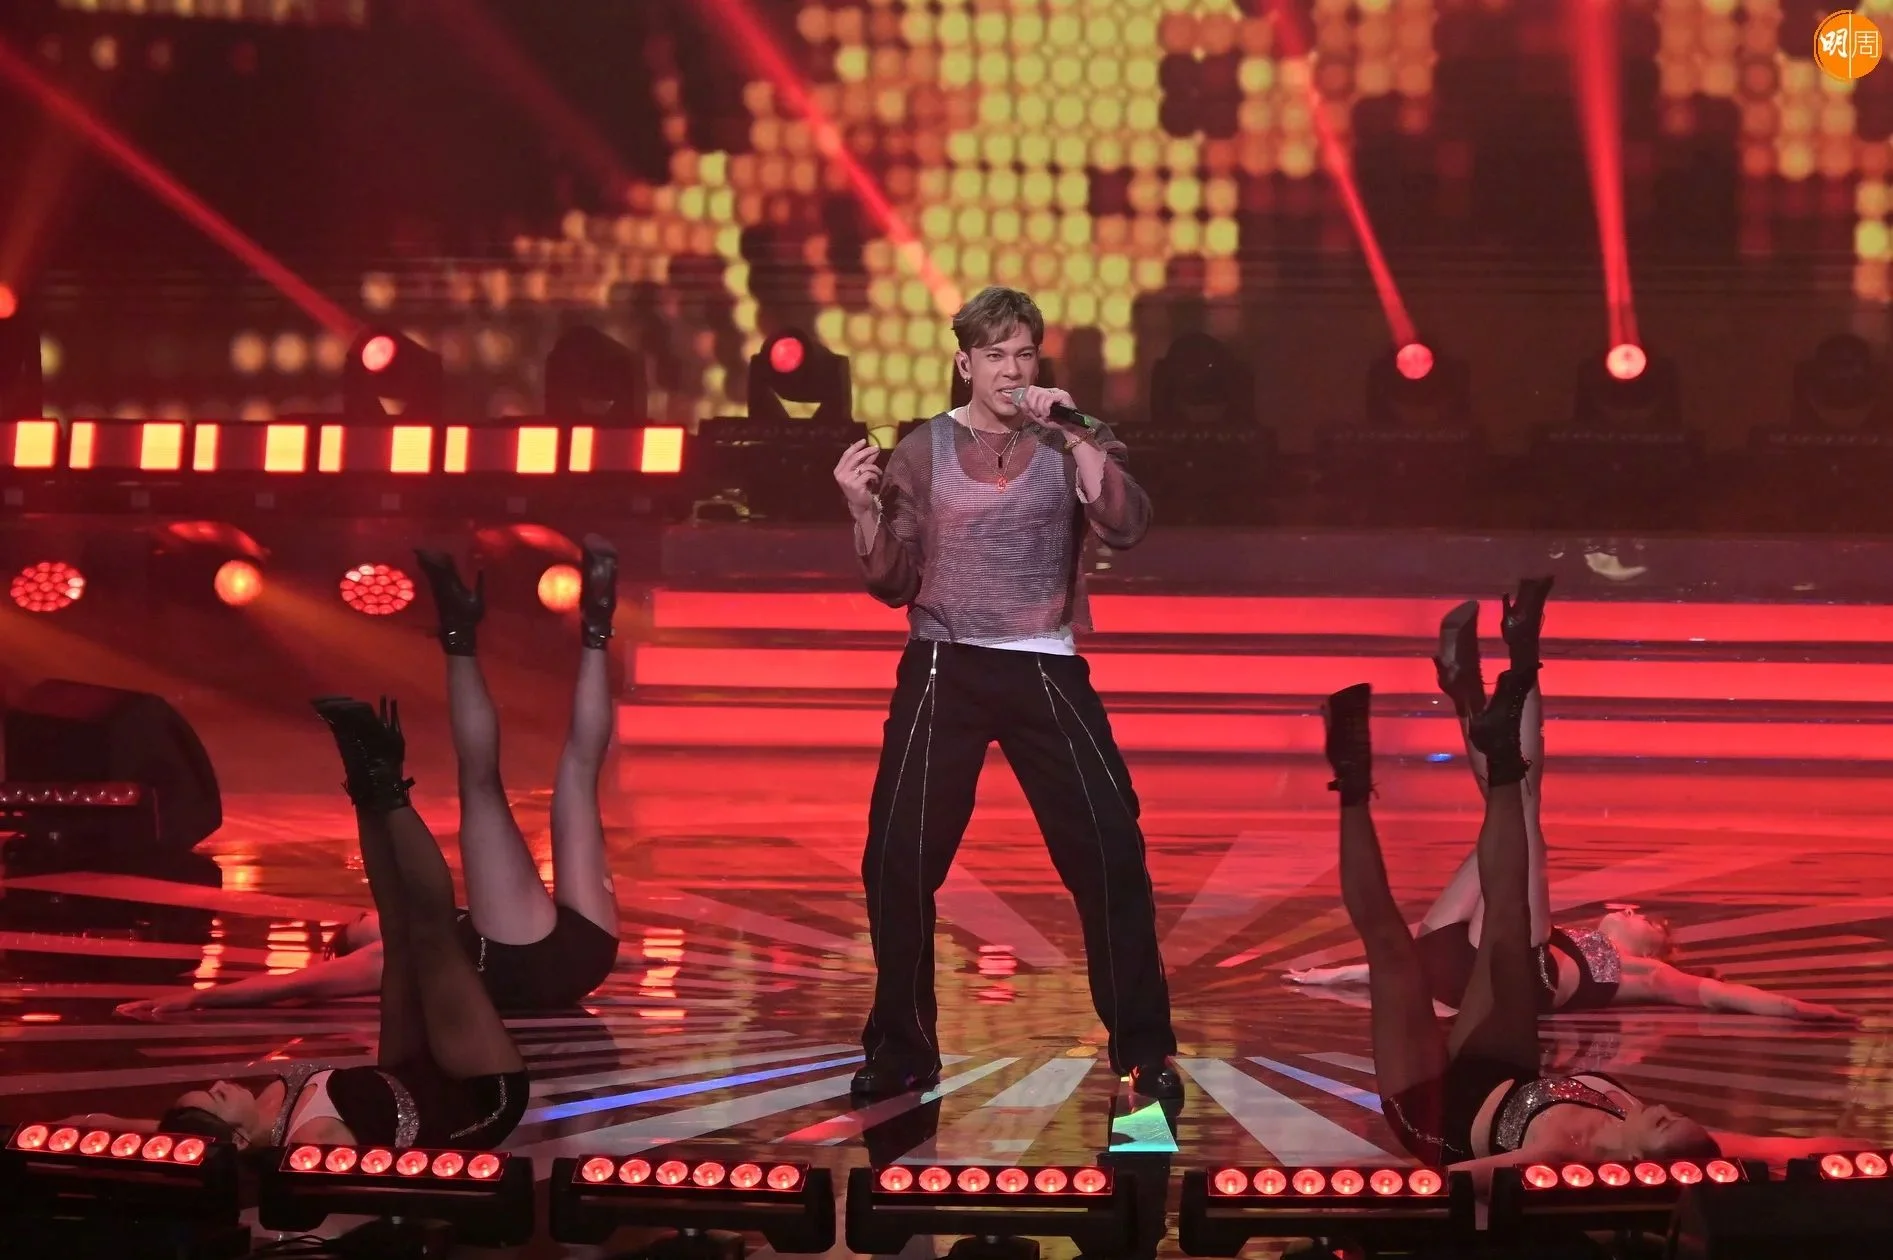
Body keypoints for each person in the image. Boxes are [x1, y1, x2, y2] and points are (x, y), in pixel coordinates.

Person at [1319, 644, 1871, 1188]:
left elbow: (1444, 1189)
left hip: (1434, 1115)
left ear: (1640, 1163)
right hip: (1502, 1074)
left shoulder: (1558, 1155)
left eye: (1665, 1125)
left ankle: (1351, 778)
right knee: (1509, 925)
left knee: (1392, 953)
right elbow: (1788, 1149)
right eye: (1679, 1116)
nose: (1667, 1110)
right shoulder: (1664, 1132)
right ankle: (1504, 760)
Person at [831, 285, 1179, 1102]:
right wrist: (859, 509)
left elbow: (1127, 524)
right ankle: (903, 1048)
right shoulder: (922, 449)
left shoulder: (1070, 436)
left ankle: (1143, 1051)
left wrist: (1078, 436)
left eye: (1023, 354)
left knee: (1110, 851)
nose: (1011, 371)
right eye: (994, 356)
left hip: (1042, 663)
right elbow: (892, 582)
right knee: (898, 857)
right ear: (965, 364)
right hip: (944, 663)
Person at [1288, 581, 1854, 1023]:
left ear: (1658, 948)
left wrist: (1802, 1009)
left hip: (1502, 978)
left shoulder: (1646, 973)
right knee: (1504, 815)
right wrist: (1335, 976)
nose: (1630, 909)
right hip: (1449, 961)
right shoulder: (1569, 937)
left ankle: (1511, 658)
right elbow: (1400, 959)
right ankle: (1472, 681)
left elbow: (1720, 996)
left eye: (1647, 919)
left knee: (1521, 813)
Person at [116, 537, 624, 1020]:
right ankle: (465, 634)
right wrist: (198, 999)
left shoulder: (441, 930)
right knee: (490, 784)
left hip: (583, 953)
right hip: (528, 964)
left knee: (568, 776)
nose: (368, 915)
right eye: (360, 922)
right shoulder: (390, 955)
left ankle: (590, 626)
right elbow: (295, 984)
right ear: (350, 944)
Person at [71, 698, 529, 1153]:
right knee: (430, 935)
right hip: (475, 1100)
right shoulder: (313, 1141)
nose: (218, 1084)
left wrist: (88, 1126)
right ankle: (386, 784)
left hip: (407, 1077)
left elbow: (133, 1128)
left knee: (397, 922)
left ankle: (367, 774)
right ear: (237, 1138)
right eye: (216, 1099)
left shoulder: (246, 1122)